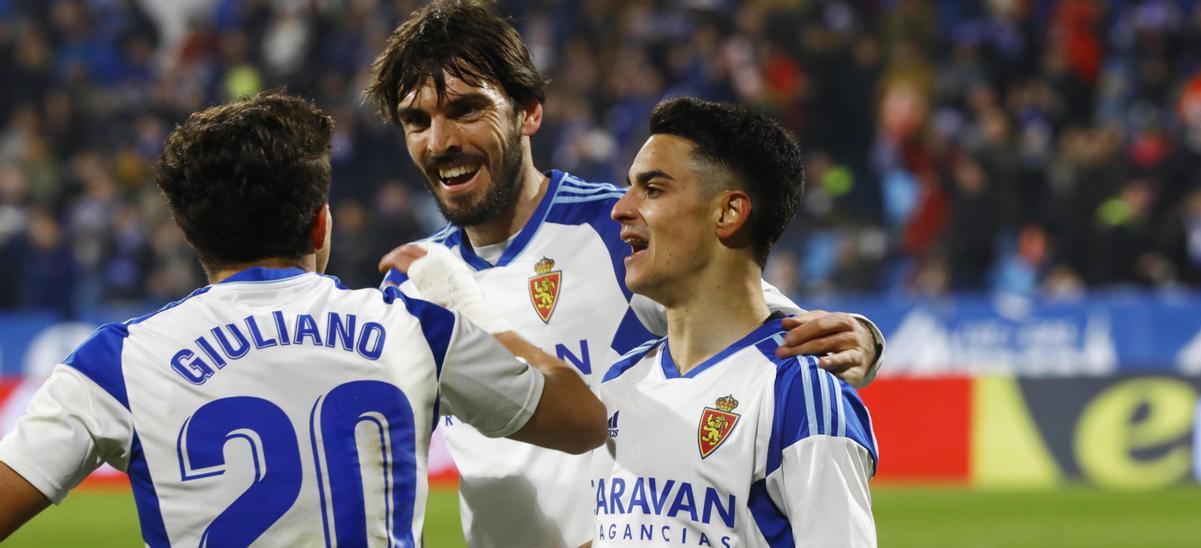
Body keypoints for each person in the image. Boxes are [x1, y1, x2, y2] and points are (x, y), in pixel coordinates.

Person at [367, 3, 884, 546]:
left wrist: (864, 341)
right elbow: (389, 470)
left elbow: (755, 323)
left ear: (529, 113)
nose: (439, 140)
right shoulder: (413, 284)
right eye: (417, 121)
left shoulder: (623, 233)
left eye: (467, 110)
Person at [0, 91, 607, 545]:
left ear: (188, 233)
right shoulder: (414, 329)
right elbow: (583, 423)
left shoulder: (117, 364)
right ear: (321, 222)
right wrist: (471, 309)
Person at [592, 97, 877, 547]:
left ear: (728, 212)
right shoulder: (621, 380)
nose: (620, 209)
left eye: (652, 189)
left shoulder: (798, 393)